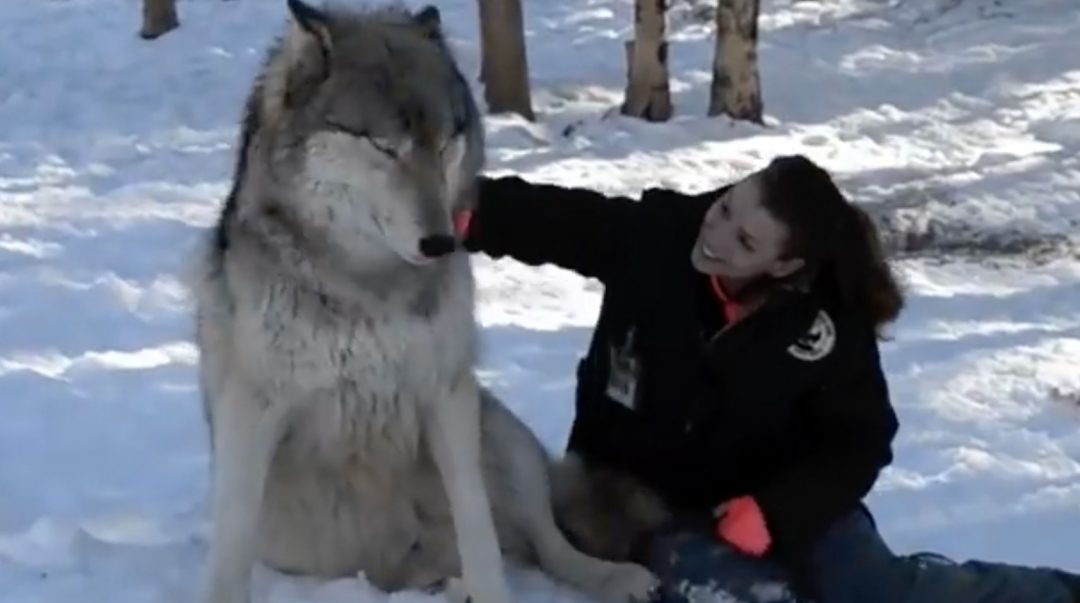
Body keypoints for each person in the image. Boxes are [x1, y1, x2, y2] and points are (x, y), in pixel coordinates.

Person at [460, 154, 1080, 603]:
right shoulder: (658, 237)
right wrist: (460, 211)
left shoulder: (825, 324)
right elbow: (552, 219)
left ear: (784, 265)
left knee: (877, 591)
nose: (716, 233)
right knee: (737, 599)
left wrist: (776, 512)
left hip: (782, 501)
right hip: (648, 504)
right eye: (726, 206)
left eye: (744, 238)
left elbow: (859, 440)